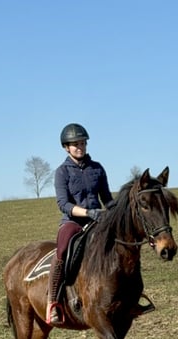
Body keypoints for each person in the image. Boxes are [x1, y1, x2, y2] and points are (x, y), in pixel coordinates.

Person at [46, 123, 114, 326]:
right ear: (66, 147)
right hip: (73, 221)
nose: (80, 147)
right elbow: (63, 204)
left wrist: (115, 213)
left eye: (82, 143)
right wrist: (87, 213)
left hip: (98, 220)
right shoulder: (62, 172)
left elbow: (107, 198)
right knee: (63, 249)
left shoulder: (97, 169)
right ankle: (54, 302)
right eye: (75, 144)